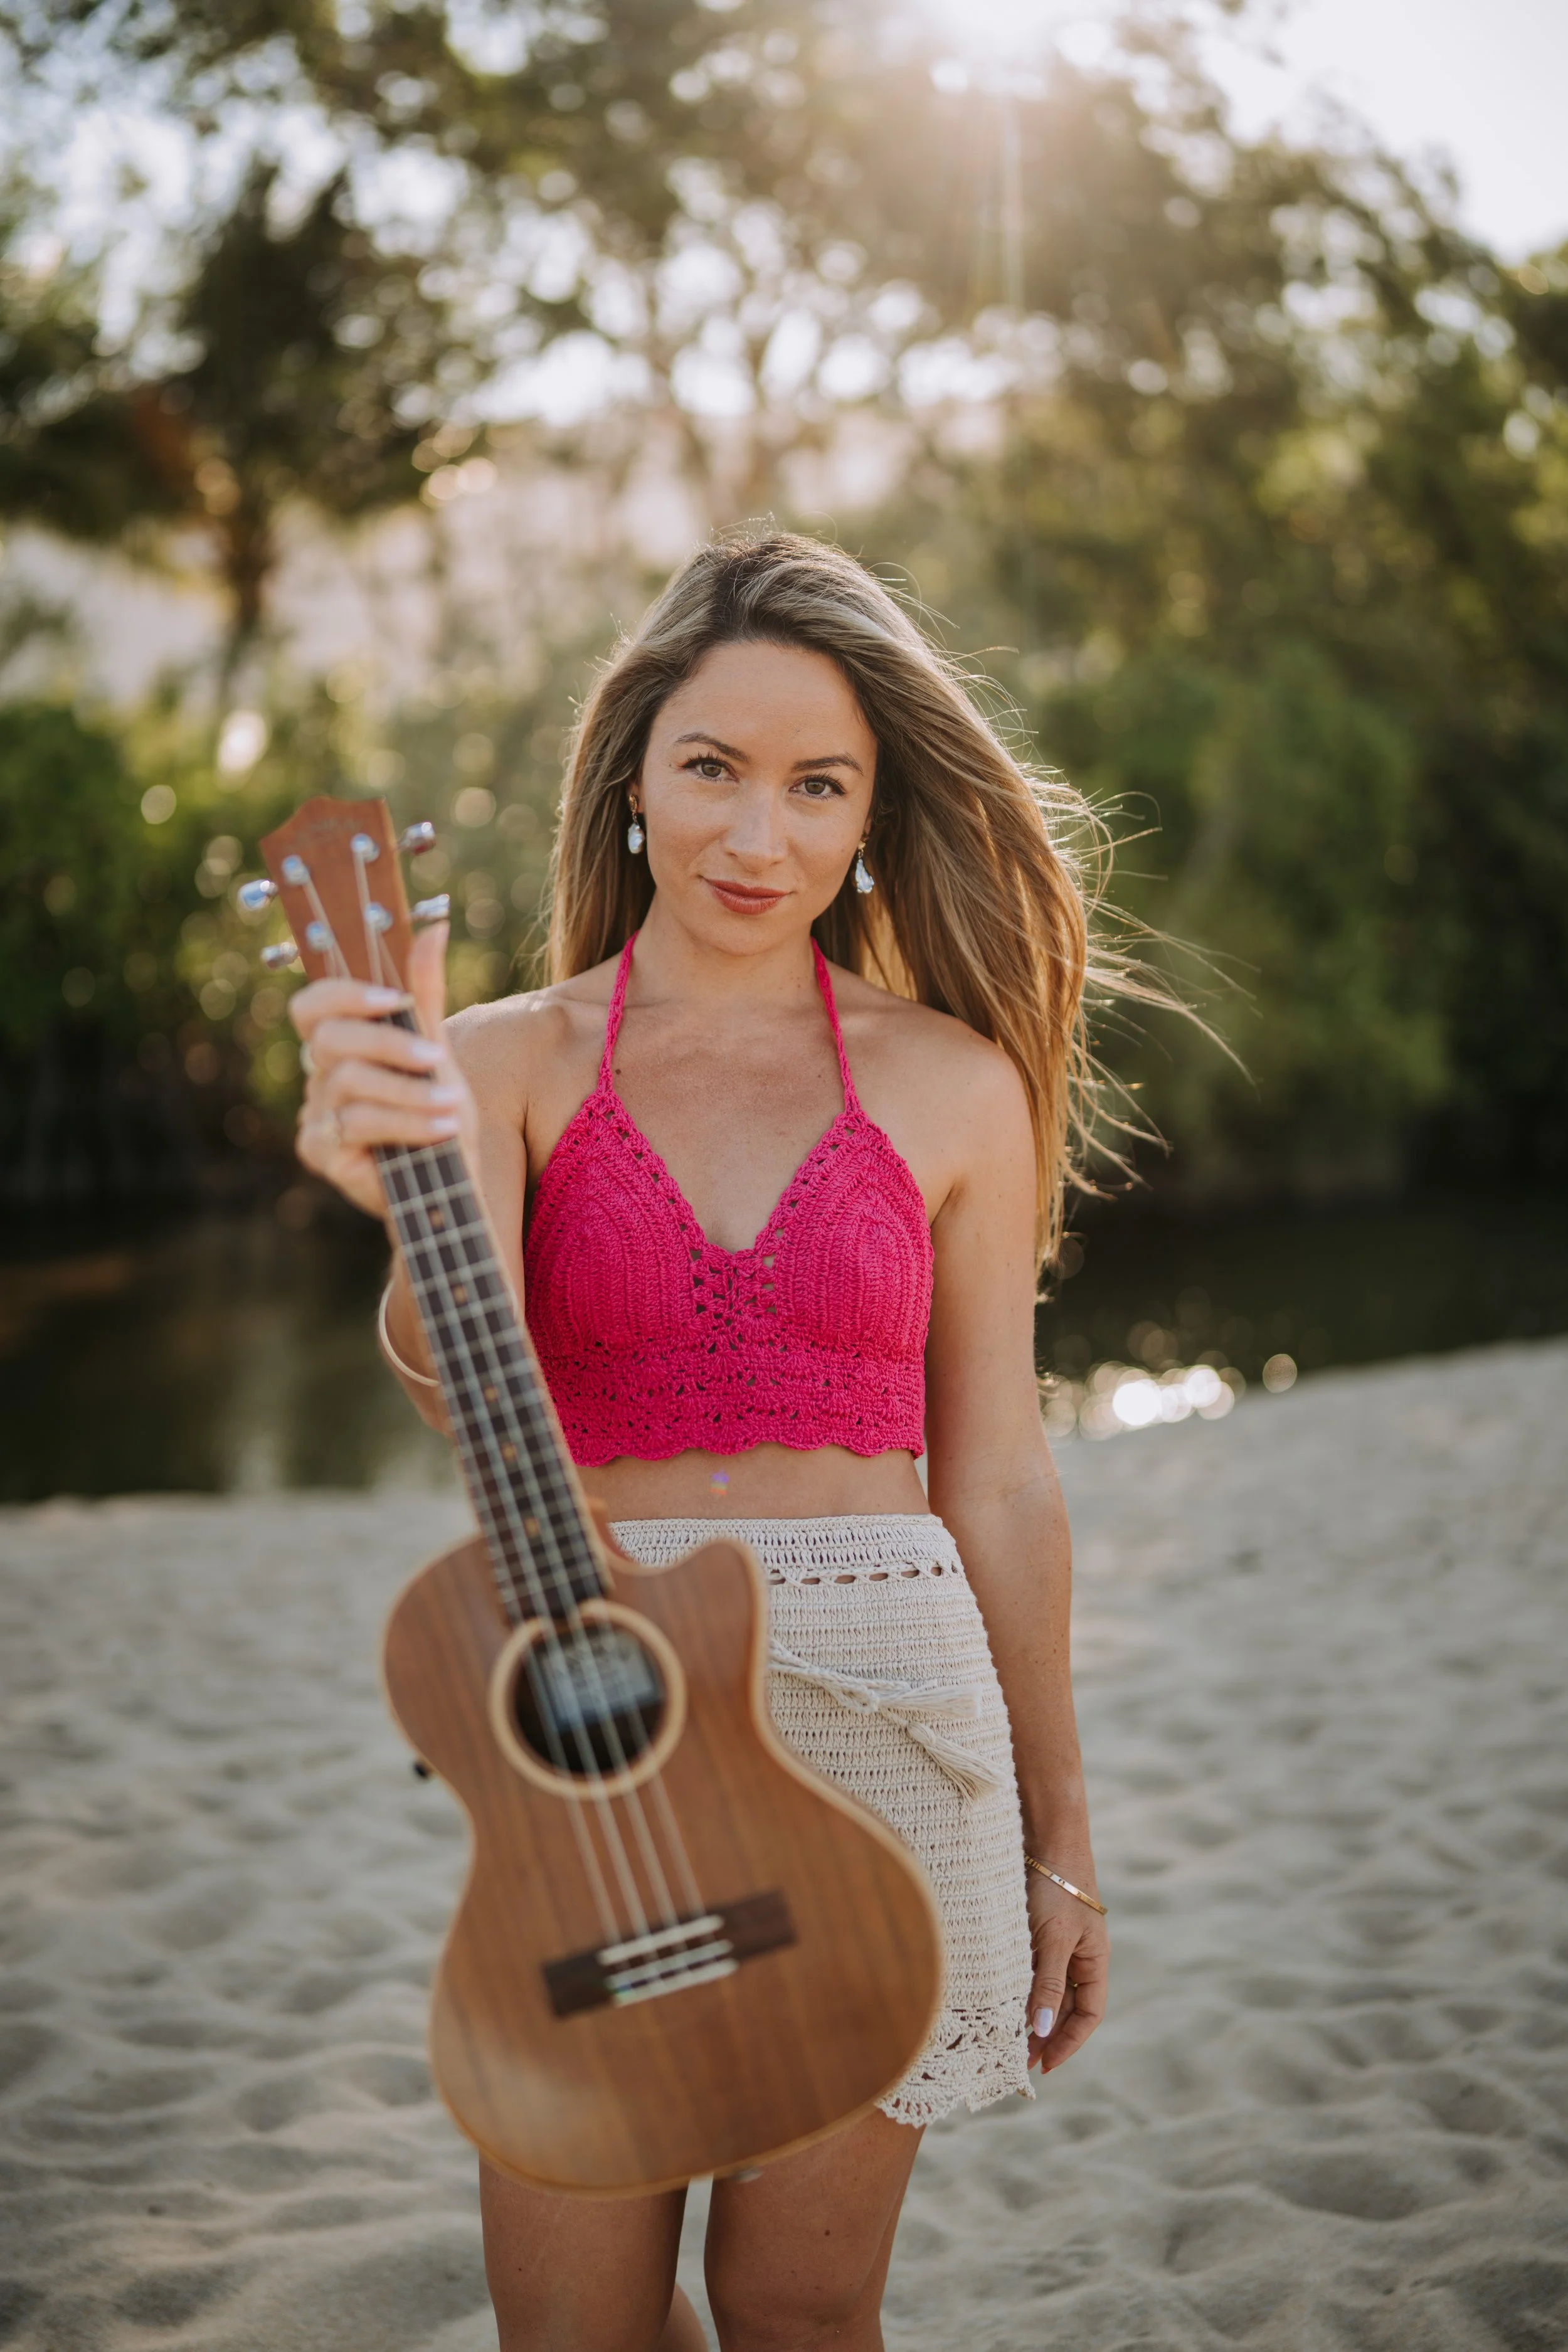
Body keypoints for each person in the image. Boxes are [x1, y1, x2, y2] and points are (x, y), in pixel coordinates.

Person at [290, 532, 1112, 2352]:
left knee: (798, 2309)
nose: (760, 837)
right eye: (713, 769)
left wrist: (1062, 1826)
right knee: (570, 2325)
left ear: (876, 809)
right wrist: (400, 1185)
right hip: (605, 1727)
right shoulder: (500, 1059)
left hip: (891, 1727)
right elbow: (455, 1371)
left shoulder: (952, 1079)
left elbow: (995, 1474)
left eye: (818, 785)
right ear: (635, 777)